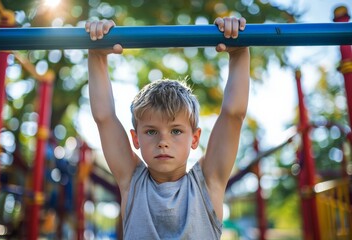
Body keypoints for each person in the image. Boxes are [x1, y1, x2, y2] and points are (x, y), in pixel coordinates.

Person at [85, 16, 249, 239]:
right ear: (135, 139)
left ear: (194, 138)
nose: (163, 141)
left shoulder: (208, 184)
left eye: (176, 131)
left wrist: (239, 53)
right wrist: (96, 54)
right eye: (151, 131)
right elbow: (104, 117)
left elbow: (233, 115)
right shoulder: (132, 182)